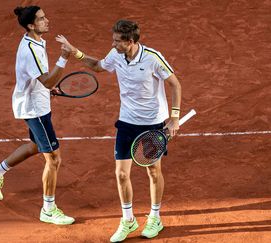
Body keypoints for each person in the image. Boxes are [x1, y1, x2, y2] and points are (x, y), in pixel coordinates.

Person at [62, 19, 182, 241]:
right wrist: (76, 53)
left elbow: (175, 83)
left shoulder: (153, 58)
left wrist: (174, 118)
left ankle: (155, 217)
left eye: (117, 41)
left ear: (130, 41)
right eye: (113, 40)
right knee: (121, 173)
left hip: (152, 123)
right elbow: (99, 66)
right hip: (126, 122)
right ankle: (128, 219)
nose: (113, 44)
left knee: (153, 171)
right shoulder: (116, 54)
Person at [0, 5, 75, 225]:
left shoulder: (36, 41)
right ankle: (48, 210)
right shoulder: (30, 49)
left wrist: (47, 88)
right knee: (53, 158)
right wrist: (63, 58)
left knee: (35, 146)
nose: (47, 21)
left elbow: (41, 79)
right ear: (31, 25)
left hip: (37, 102)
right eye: (42, 19)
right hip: (36, 109)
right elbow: (48, 79)